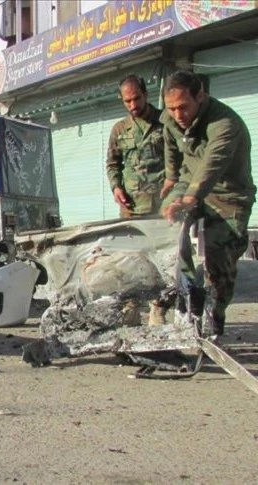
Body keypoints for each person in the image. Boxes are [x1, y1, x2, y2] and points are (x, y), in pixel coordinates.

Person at [159, 70, 255, 338]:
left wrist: (190, 198)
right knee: (165, 233)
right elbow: (171, 150)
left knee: (219, 260)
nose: (178, 114)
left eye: (183, 107)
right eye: (171, 108)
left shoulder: (225, 123)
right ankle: (185, 296)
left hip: (227, 194)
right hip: (187, 183)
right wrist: (171, 182)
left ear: (200, 96)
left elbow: (212, 166)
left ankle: (216, 311)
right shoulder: (169, 117)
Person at [105, 74, 165, 219]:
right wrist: (116, 187)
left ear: (145, 94)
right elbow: (113, 164)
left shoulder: (165, 121)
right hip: (132, 209)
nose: (133, 105)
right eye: (127, 101)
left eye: (136, 98)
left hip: (163, 205)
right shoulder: (119, 129)